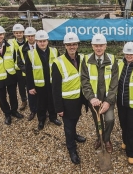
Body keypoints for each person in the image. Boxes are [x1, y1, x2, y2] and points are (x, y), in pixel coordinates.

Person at [52, 32, 87, 165]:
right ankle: (71, 148)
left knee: (75, 120)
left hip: (79, 99)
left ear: (77, 45)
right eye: (69, 44)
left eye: (74, 44)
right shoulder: (58, 62)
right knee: (68, 126)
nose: (72, 46)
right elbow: (55, 88)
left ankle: (74, 134)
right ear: (65, 46)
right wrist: (58, 108)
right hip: (67, 101)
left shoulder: (82, 58)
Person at [81, 33, 118, 153]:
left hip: (108, 98)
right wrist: (91, 98)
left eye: (101, 45)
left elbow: (114, 83)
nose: (98, 48)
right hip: (94, 99)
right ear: (92, 46)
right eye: (96, 45)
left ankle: (106, 139)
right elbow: (84, 80)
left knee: (110, 119)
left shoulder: (112, 59)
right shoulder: (86, 60)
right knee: (97, 121)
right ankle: (99, 137)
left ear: (105, 46)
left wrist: (108, 101)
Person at [25, 30, 62, 130]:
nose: (42, 43)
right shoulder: (30, 54)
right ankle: (41, 120)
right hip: (39, 85)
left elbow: (59, 68)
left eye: (44, 41)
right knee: (41, 103)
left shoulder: (54, 51)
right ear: (36, 42)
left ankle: (53, 118)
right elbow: (28, 71)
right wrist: (30, 86)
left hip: (51, 83)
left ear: (47, 41)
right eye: (40, 41)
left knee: (52, 101)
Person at [17, 27, 38, 121]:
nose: (30, 38)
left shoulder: (41, 45)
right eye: (28, 36)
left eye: (32, 36)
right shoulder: (21, 48)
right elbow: (20, 63)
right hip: (28, 75)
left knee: (42, 92)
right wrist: (29, 72)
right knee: (31, 93)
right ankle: (33, 110)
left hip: (40, 74)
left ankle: (44, 110)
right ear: (26, 36)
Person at [8, 23, 28, 111]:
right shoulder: (10, 42)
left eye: (20, 32)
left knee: (30, 85)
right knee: (21, 86)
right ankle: (24, 101)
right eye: (16, 33)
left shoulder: (28, 41)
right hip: (18, 69)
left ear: (23, 33)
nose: (18, 34)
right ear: (14, 33)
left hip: (28, 68)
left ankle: (33, 101)